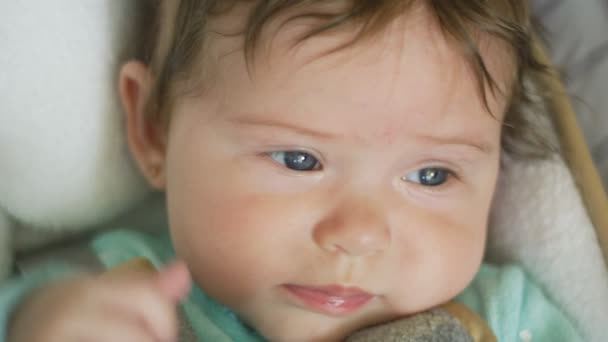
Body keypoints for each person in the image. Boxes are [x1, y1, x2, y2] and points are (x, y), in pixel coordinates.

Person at [1, 1, 583, 341]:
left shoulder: (507, 319)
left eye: (431, 176)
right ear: (154, 131)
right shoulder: (122, 292)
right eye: (298, 160)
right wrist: (46, 323)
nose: (358, 234)